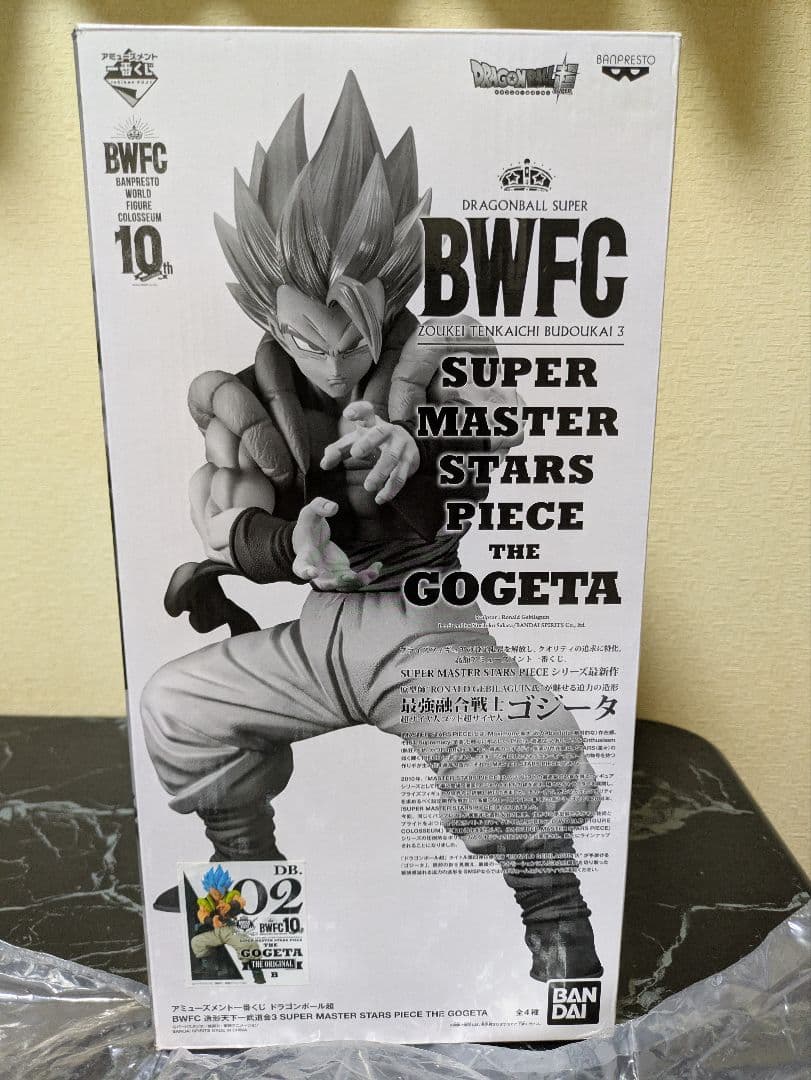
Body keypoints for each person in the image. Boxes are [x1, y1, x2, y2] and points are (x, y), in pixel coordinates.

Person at [141, 72, 602, 980]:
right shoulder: (243, 398)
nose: (330, 363)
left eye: (351, 339)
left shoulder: (437, 357)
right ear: (268, 314)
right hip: (318, 633)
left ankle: (562, 944)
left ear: (384, 305)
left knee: (518, 741)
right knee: (177, 704)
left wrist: (419, 442)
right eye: (305, 339)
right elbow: (225, 510)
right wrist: (287, 545)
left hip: (421, 625)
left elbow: (497, 428)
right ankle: (244, 928)